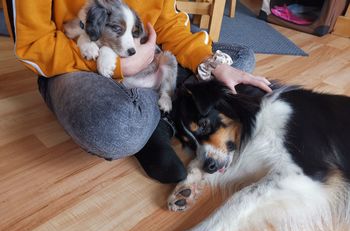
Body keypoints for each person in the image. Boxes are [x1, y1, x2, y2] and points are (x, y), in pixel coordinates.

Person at [3, 0, 271, 183]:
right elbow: (33, 45)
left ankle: (157, 122)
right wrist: (121, 65)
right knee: (118, 125)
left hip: (146, 53)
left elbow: (168, 24)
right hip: (73, 61)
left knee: (240, 60)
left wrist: (210, 63)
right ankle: (159, 116)